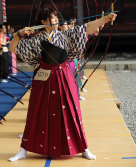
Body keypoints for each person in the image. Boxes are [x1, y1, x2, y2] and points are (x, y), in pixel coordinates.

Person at [8, 8, 117, 161]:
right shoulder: (35, 40)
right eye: (52, 19)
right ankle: (23, 150)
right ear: (43, 22)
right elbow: (13, 48)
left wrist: (105, 19)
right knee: (36, 112)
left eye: (57, 18)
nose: (56, 21)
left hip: (63, 76)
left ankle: (84, 147)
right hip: (43, 79)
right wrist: (17, 35)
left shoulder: (66, 35)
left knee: (71, 111)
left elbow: (86, 28)